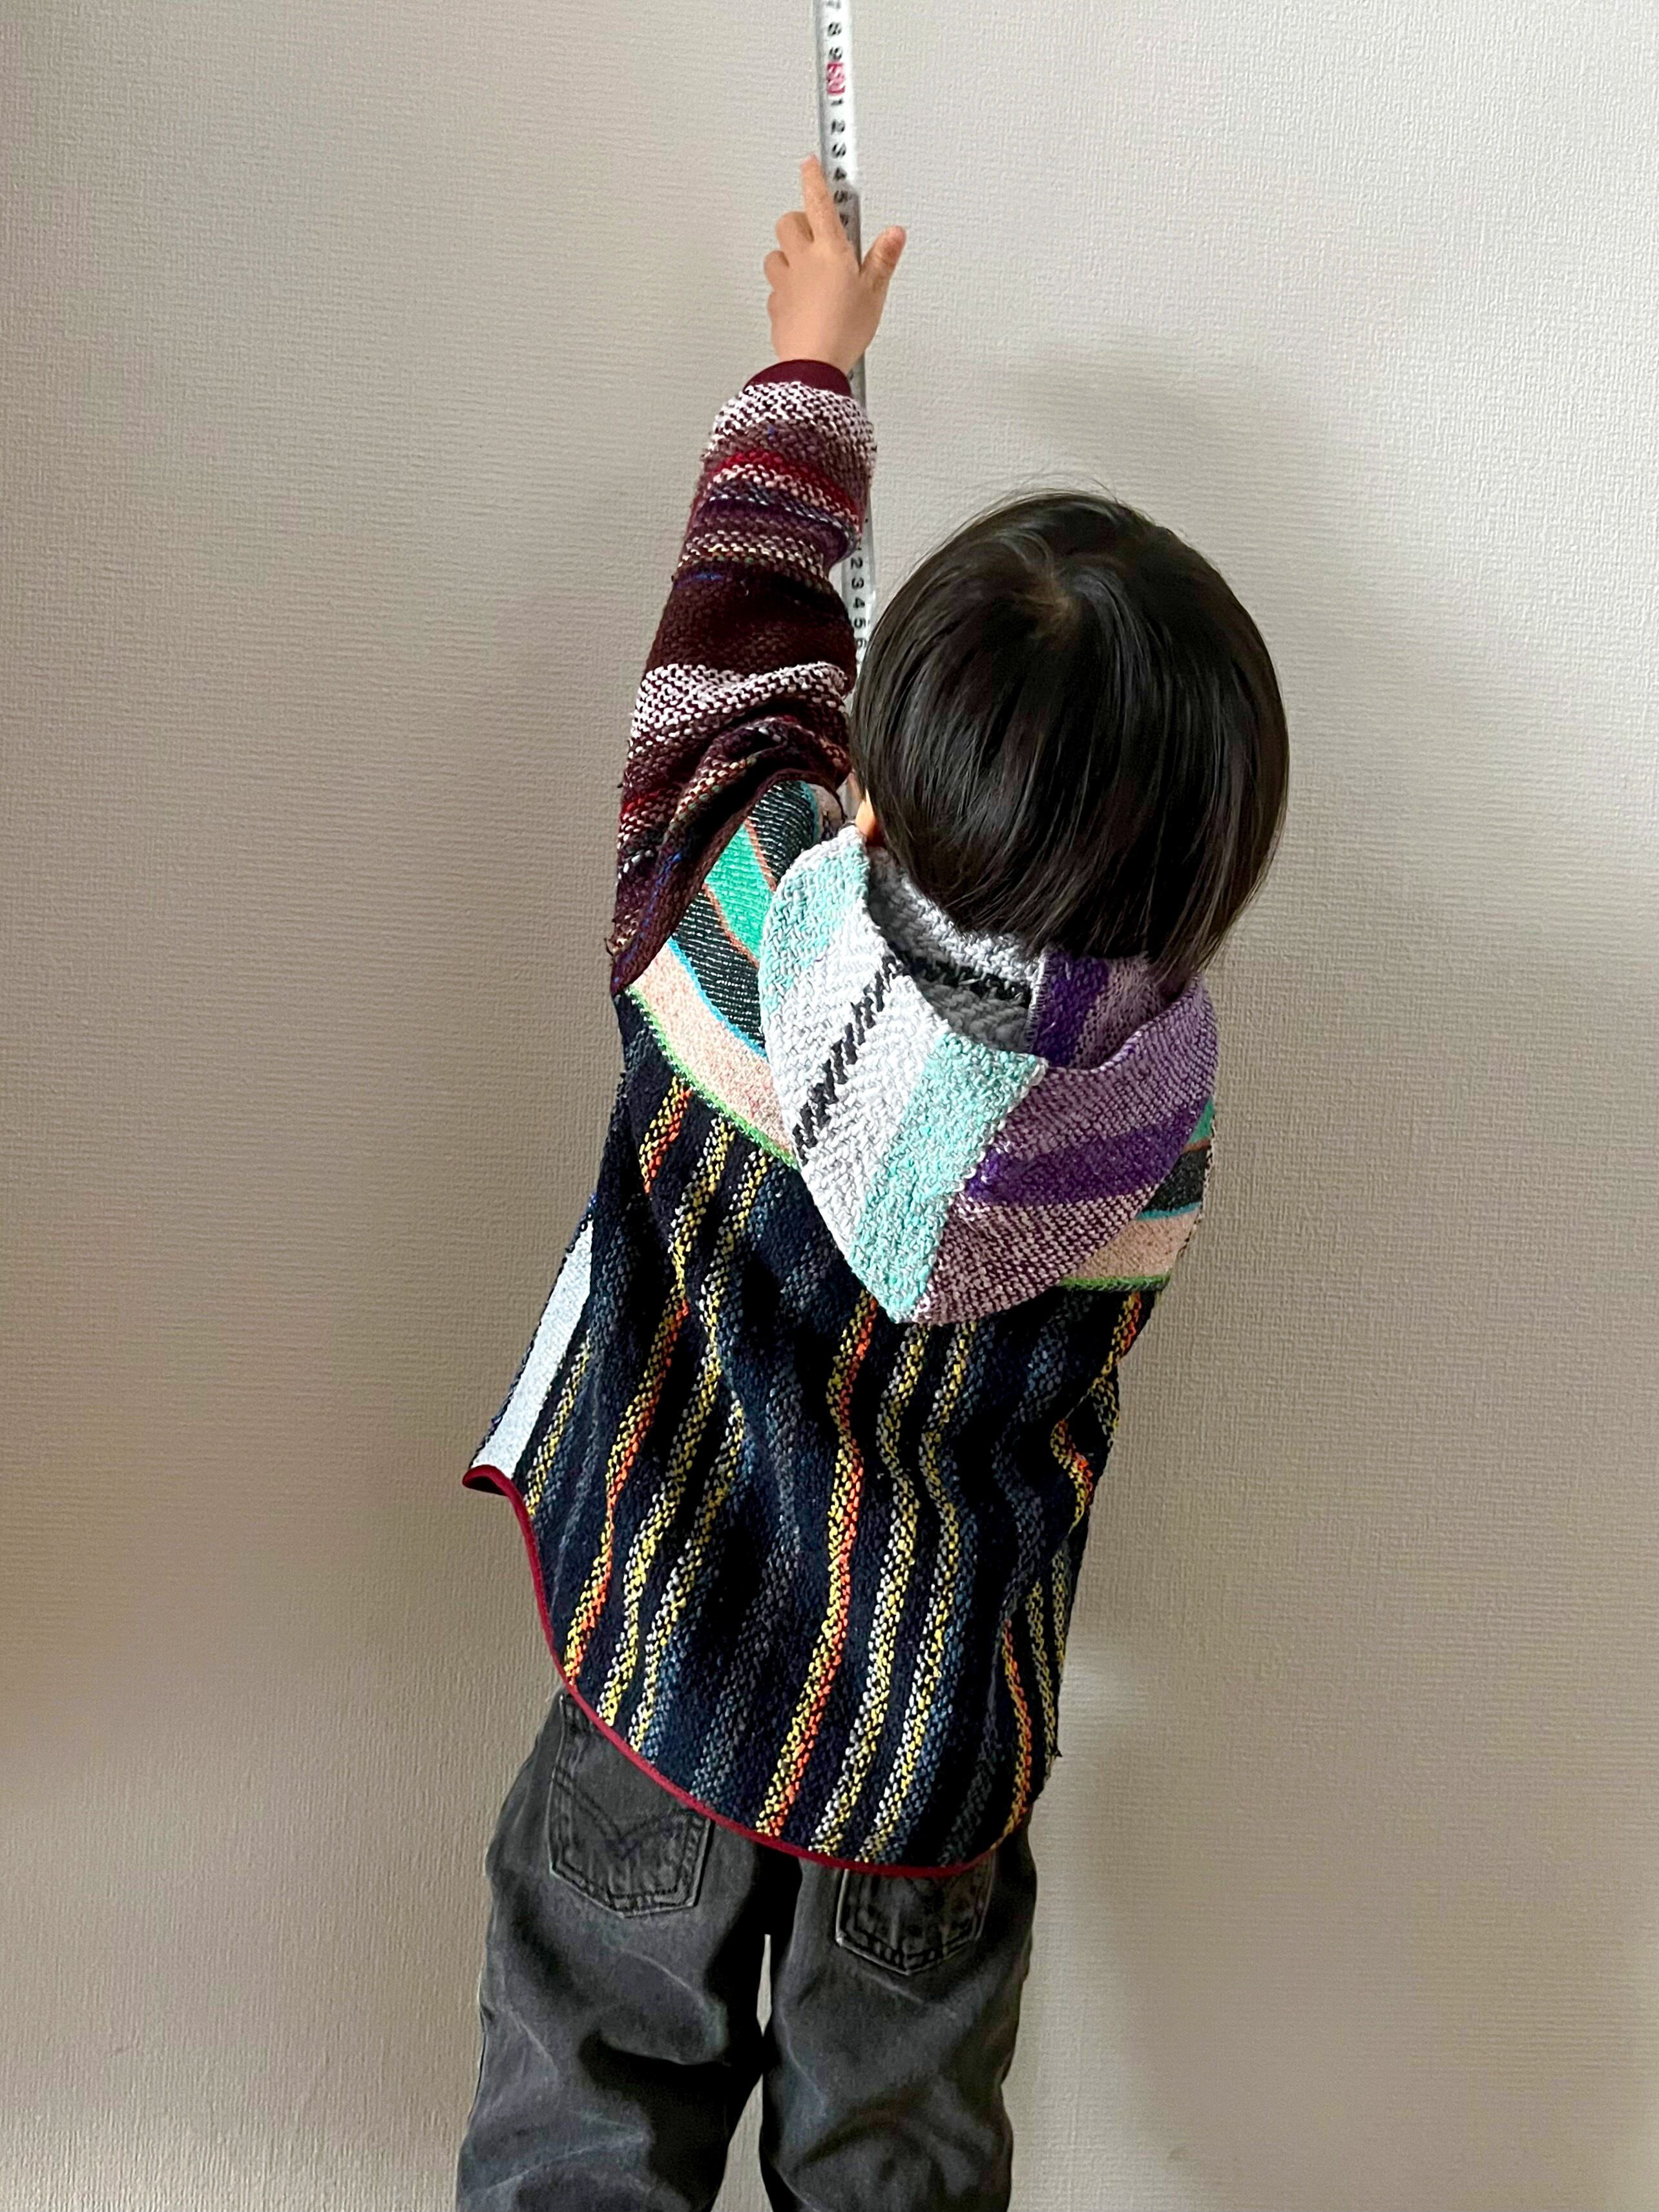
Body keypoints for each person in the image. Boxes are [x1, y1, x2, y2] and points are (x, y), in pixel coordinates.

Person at [455, 154, 1288, 2212]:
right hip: (928, 1759)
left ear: (882, 784)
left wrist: (810, 371)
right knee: (898, 2174)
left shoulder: (736, 920)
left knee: (583, 2140)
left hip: (662, 1674)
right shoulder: (1156, 1117)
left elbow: (730, 653)